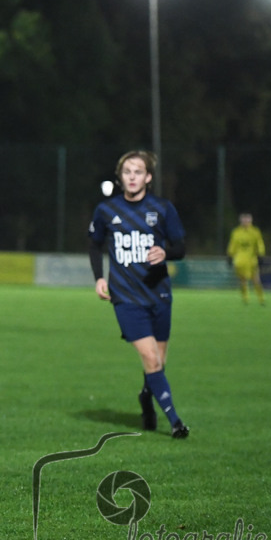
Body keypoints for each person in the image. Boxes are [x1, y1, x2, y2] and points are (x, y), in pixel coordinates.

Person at [88, 150, 189, 439]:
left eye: (138, 172)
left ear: (148, 177)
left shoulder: (162, 208)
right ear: (121, 178)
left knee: (159, 362)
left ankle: (147, 398)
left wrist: (165, 252)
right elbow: (94, 245)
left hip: (159, 295)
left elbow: (180, 247)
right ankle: (175, 422)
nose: (132, 176)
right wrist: (98, 278)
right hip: (126, 298)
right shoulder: (106, 211)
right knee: (152, 361)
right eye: (127, 172)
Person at [226, 212, 266, 305]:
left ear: (250, 221)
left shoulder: (255, 232)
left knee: (256, 279)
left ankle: (261, 298)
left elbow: (259, 243)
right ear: (241, 221)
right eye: (244, 220)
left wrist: (261, 254)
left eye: (247, 220)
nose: (245, 222)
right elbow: (233, 244)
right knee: (242, 280)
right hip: (240, 261)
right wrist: (230, 255)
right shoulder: (236, 232)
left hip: (252, 260)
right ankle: (245, 298)